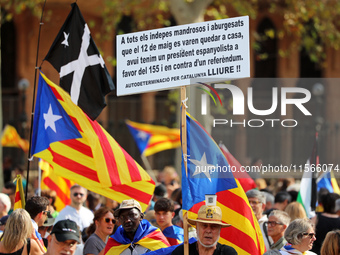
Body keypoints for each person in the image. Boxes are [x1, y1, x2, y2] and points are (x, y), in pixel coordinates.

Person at [104, 199, 170, 254]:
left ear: (141, 216)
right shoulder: (114, 242)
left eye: (132, 215)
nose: (127, 220)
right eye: (122, 216)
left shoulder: (155, 236)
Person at [171, 202, 237, 255]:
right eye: (204, 226)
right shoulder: (182, 251)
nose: (208, 231)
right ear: (197, 228)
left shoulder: (227, 252)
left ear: (219, 230)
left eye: (213, 226)